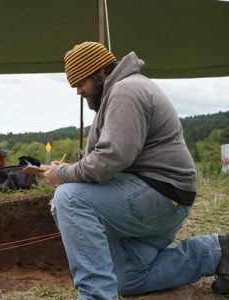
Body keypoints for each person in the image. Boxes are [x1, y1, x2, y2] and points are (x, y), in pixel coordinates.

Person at [41, 41, 228, 299]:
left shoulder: (126, 91)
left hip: (160, 193)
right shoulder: (122, 91)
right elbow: (109, 156)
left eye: (80, 82)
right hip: (162, 196)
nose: (78, 91)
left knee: (70, 198)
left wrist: (63, 175)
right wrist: (71, 170)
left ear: (100, 72)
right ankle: (218, 252)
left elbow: (112, 157)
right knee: (128, 277)